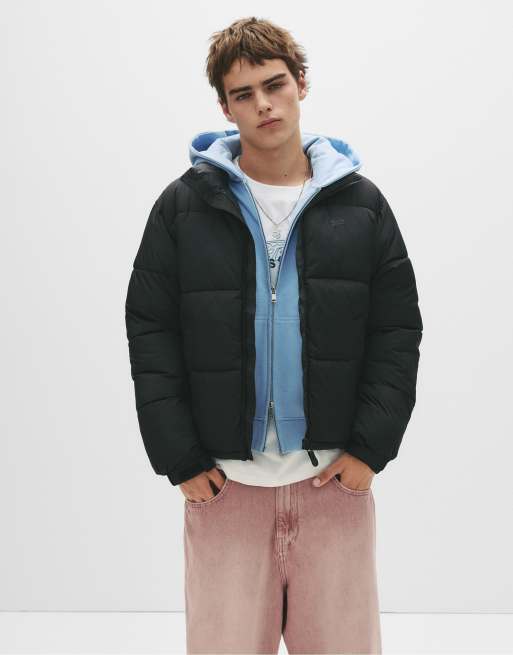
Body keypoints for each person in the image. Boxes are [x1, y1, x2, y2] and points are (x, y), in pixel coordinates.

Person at [125, 16, 423, 655]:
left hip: (333, 485)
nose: (263, 104)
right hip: (224, 490)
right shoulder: (183, 207)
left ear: (300, 84)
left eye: (274, 84)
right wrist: (180, 458)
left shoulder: (362, 205)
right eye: (243, 94)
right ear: (224, 106)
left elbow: (397, 331)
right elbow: (150, 331)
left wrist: (369, 450)